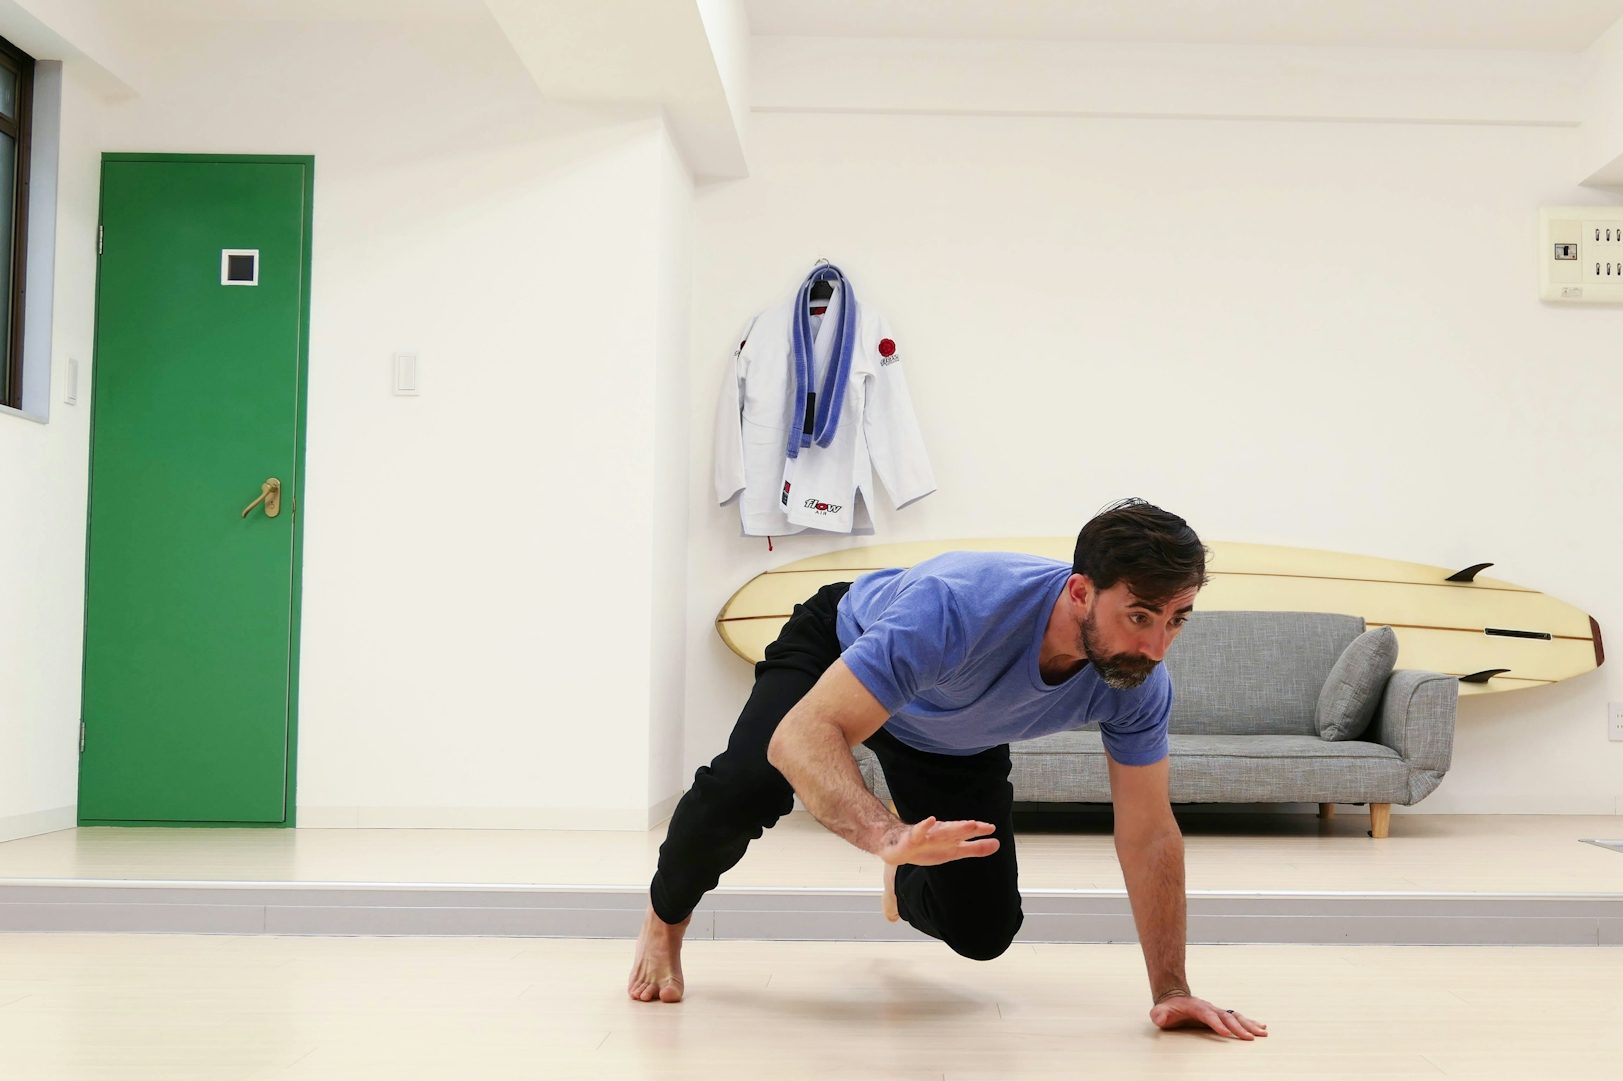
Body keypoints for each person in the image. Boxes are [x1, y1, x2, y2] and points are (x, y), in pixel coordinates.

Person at [628, 498, 1268, 1040]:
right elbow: (801, 736)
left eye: (1175, 620)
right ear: (1080, 592)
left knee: (984, 932)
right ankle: (664, 921)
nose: (1156, 647)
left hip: (954, 733)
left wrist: (1172, 989)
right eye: (1139, 617)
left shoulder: (1138, 682)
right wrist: (885, 835)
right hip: (843, 649)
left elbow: (1148, 831)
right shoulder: (958, 607)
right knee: (745, 787)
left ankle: (906, 876)